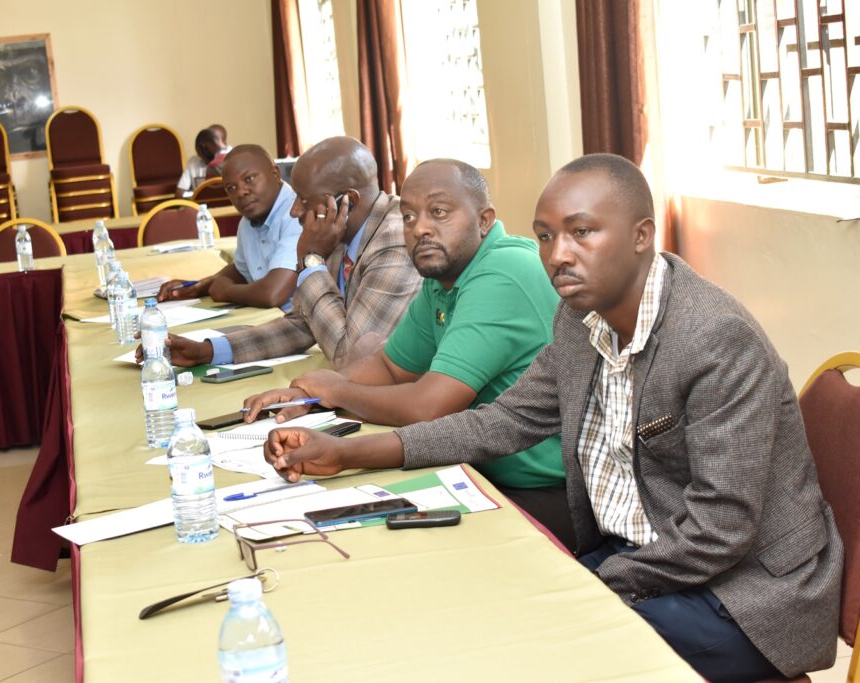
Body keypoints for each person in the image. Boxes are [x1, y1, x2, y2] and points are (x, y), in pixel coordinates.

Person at [260, 153, 843, 682]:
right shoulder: (580, 322)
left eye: (582, 232)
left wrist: (589, 584)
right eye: (545, 236)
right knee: (478, 608)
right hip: (646, 564)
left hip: (748, 596)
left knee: (534, 652)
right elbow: (498, 423)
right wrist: (343, 452)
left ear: (643, 236)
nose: (558, 255)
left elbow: (721, 530)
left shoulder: (712, 339)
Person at [243, 159, 573, 549]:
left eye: (439, 212)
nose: (420, 229)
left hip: (550, 491)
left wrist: (338, 392)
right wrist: (309, 398)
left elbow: (427, 406)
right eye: (409, 216)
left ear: (484, 220)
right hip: (476, 471)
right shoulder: (445, 277)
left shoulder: (501, 272)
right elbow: (392, 367)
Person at [162, 136, 422, 369]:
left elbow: (351, 358)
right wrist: (208, 351)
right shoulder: (340, 230)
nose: (294, 211)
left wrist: (311, 260)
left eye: (304, 200)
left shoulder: (396, 241)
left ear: (347, 202)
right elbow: (301, 323)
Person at [156, 145, 300, 311]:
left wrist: (226, 292)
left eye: (249, 179)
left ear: (275, 174)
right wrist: (199, 286)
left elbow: (272, 293)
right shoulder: (248, 222)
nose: (240, 193)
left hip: (303, 328)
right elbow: (241, 271)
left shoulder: (296, 214)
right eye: (231, 188)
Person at [177, 124, 232, 193]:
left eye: (210, 141)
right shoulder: (193, 162)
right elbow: (180, 192)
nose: (204, 145)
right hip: (199, 202)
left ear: (223, 143)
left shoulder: (232, 159)